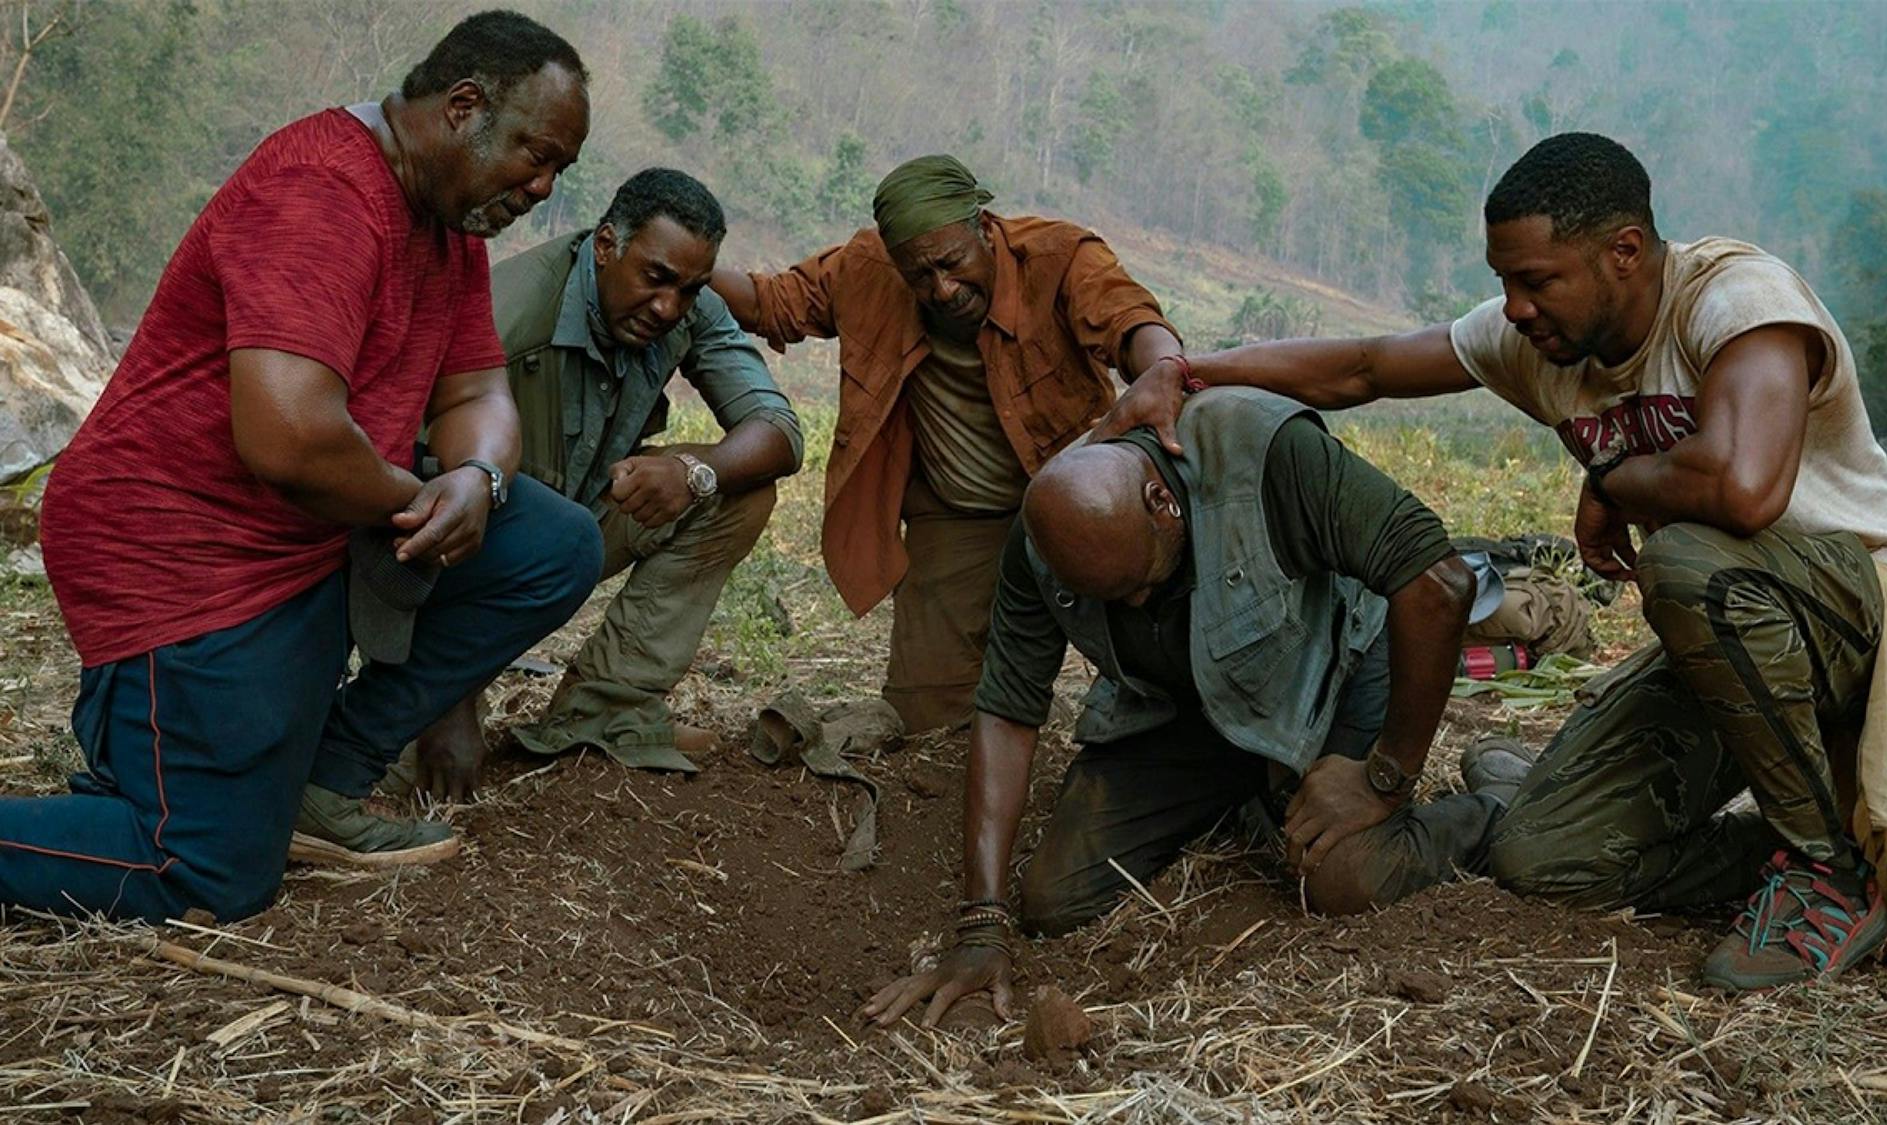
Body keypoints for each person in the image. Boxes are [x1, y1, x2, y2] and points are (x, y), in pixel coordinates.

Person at [1094, 133, 1887, 991]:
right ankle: (1784, 847)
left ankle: (1827, 874)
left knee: (1691, 566)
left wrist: (1616, 480)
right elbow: (1364, 368)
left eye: (1535, 280)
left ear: (1623, 251)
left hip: (1870, 613)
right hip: (1735, 649)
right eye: (1503, 282)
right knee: (1544, 855)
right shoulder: (1541, 341)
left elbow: (1745, 492)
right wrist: (1186, 370)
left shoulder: (1736, 300)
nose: (1514, 306)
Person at [1, 11, 600, 922]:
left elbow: (478, 395)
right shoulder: (322, 191)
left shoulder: (449, 226)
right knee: (204, 871)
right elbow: (287, 439)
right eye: (535, 154)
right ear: (463, 107)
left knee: (551, 545)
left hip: (313, 532)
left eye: (560, 168)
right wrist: (417, 500)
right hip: (184, 547)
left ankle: (323, 777)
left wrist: (473, 481)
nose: (543, 187)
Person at [862, 386, 1506, 1027]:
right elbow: (1007, 710)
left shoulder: (1266, 454)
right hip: (1187, 705)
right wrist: (981, 926)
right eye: (1113, 601)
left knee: (1341, 879)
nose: (1137, 607)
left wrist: (1384, 777)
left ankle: (1497, 807)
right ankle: (1258, 789)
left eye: (1143, 584)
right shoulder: (1044, 538)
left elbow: (1440, 584)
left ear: (1161, 501)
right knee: (1058, 898)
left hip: (1336, 669)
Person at [709, 155, 1184, 733]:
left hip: (1081, 506)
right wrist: (689, 265)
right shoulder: (868, 268)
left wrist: (1162, 369)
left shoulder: (1059, 257)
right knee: (925, 715)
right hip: (960, 517)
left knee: (1160, 686)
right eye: (920, 276)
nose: (943, 289)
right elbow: (770, 303)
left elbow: (1129, 320)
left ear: (984, 229)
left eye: (952, 263)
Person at [408, 168, 802, 793]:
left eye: (690, 288)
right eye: (656, 279)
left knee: (739, 487)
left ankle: (603, 709)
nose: (669, 306)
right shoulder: (506, 319)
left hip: (573, 530)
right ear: (606, 246)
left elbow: (777, 430)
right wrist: (447, 703)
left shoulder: (686, 310)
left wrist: (694, 473)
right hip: (469, 555)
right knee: (410, 760)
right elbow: (421, 509)